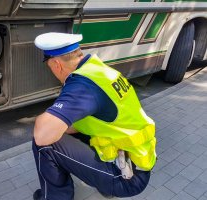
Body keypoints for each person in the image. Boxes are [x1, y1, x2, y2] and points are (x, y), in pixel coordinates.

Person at [32, 32, 157, 200]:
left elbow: (42, 136)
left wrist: (43, 120)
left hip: (127, 178)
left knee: (45, 145)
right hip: (136, 163)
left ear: (56, 64)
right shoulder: (98, 71)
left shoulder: (82, 86)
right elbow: (92, 119)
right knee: (62, 131)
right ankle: (105, 185)